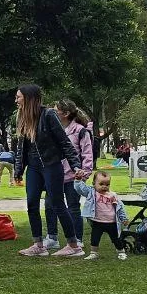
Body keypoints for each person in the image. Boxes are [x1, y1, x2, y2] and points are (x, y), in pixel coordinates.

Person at [13, 84, 83, 257]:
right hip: (34, 167)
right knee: (31, 204)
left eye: (18, 97)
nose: (16, 100)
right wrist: (18, 170)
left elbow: (64, 142)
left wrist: (75, 166)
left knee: (57, 203)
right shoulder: (22, 117)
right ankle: (38, 245)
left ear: (29, 98)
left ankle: (74, 245)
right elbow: (22, 147)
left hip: (51, 164)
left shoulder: (48, 114)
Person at [47, 99, 94, 246]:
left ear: (66, 114)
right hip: (54, 175)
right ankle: (52, 238)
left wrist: (84, 173)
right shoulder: (54, 130)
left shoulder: (80, 131)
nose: (52, 114)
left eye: (55, 112)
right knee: (50, 206)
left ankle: (77, 239)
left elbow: (87, 154)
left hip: (73, 177)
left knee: (73, 208)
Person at [75, 171, 128, 260]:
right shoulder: (91, 192)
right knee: (94, 238)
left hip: (111, 222)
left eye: (107, 184)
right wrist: (78, 180)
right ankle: (94, 253)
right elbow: (81, 189)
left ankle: (121, 252)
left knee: (115, 238)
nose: (104, 186)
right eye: (101, 184)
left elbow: (120, 207)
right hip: (97, 221)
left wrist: (124, 218)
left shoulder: (112, 195)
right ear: (94, 184)